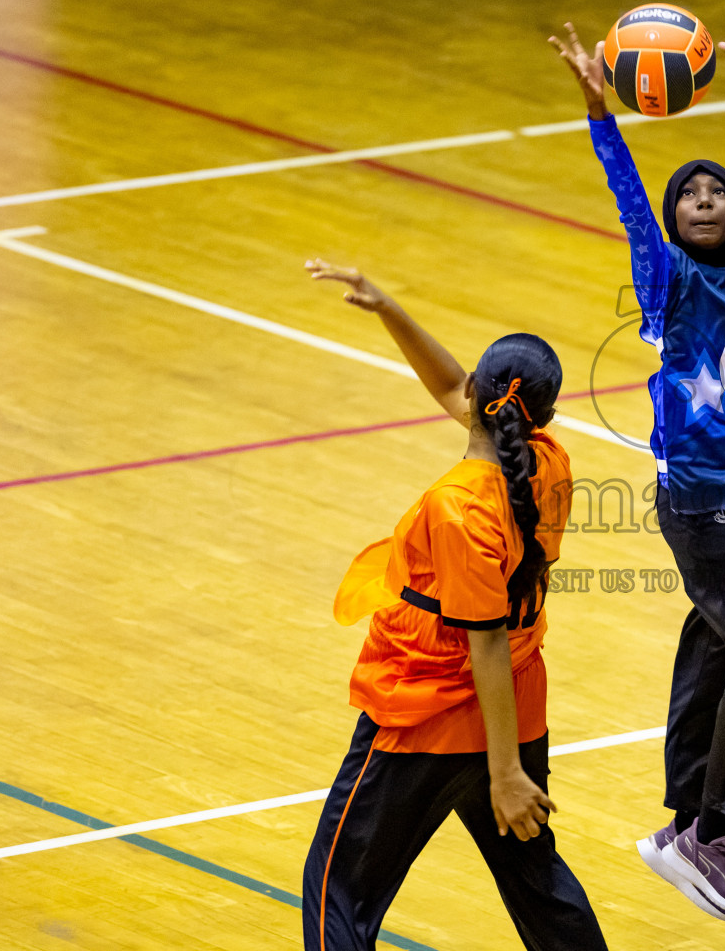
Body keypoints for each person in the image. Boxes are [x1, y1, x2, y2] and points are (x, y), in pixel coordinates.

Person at [549, 6, 725, 921]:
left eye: (716, 191)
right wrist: (599, 113)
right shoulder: (665, 281)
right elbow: (626, 191)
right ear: (672, 220)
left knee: (713, 644)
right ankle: (711, 832)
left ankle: (678, 826)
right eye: (688, 194)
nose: (703, 199)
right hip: (698, 496)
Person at [299, 259, 607, 951]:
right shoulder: (549, 461)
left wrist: (503, 776)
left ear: (478, 394)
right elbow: (450, 387)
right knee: (537, 885)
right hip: (517, 710)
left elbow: (485, 640)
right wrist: (388, 311)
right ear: (543, 419)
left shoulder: (458, 508)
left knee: (336, 893)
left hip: (432, 714)